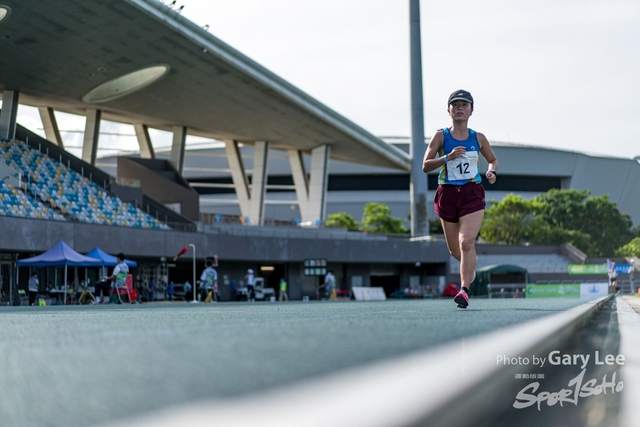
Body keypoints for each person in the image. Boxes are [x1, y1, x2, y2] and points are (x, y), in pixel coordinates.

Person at [422, 89, 498, 309]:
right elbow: (425, 165)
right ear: (448, 110)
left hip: (471, 193)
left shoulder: (479, 138)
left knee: (467, 242)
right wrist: (447, 157)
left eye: (464, 105)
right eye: (455, 105)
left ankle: (464, 290)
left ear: (471, 110)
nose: (459, 108)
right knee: (455, 250)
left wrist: (492, 172)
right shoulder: (440, 136)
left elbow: (492, 160)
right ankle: (470, 268)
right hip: (447, 194)